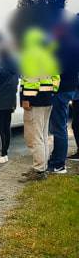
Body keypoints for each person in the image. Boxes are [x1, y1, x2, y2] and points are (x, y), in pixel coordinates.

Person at [19, 27, 60, 182]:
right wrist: (51, 93)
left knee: (34, 136)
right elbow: (56, 79)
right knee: (43, 134)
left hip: (34, 101)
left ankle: (39, 170)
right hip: (47, 100)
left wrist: (26, 99)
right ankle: (42, 166)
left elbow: (31, 79)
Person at [46, 15, 78, 173]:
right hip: (70, 87)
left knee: (59, 126)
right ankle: (56, 158)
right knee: (60, 125)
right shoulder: (73, 43)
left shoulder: (64, 45)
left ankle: (58, 164)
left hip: (61, 88)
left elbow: (57, 68)